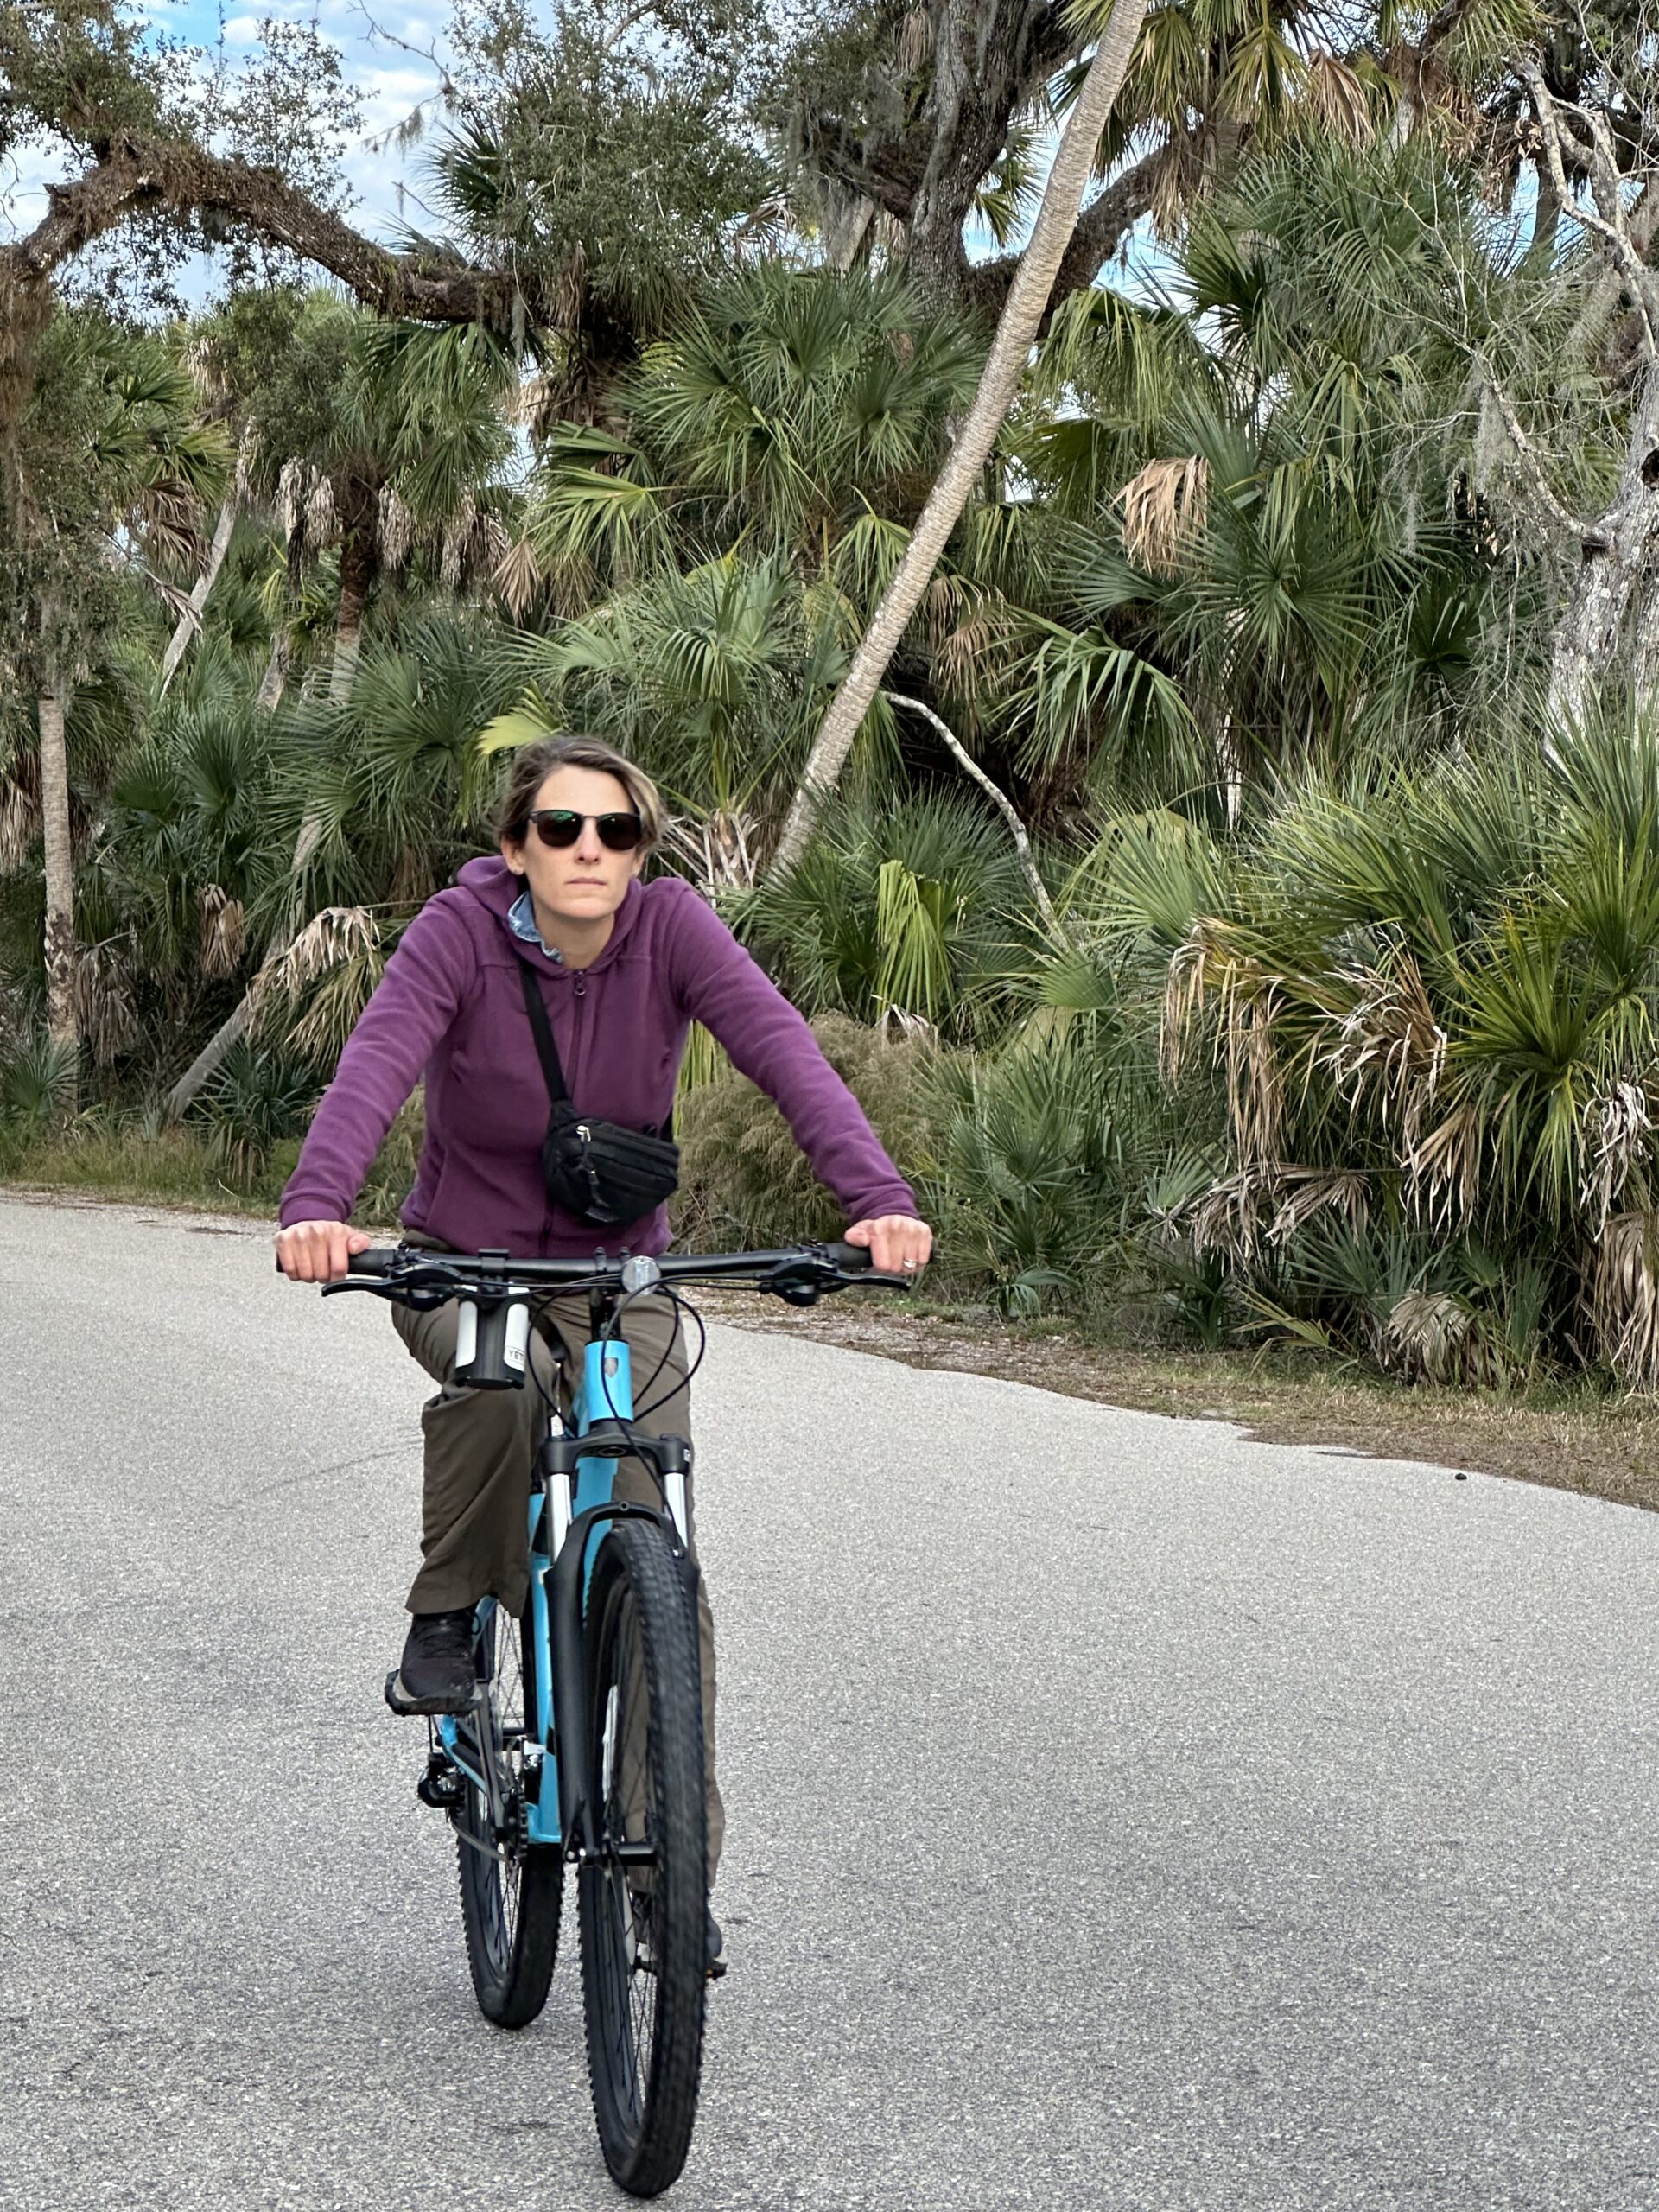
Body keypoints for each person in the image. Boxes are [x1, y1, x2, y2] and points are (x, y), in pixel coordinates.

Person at [274, 733, 932, 1965]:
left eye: (615, 832)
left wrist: (875, 1197)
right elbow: (379, 1062)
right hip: (459, 1263)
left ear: (641, 848)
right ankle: (454, 1614)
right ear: (516, 847)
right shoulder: (457, 938)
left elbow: (782, 1050)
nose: (590, 851)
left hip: (621, 1274)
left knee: (658, 1541)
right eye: (563, 830)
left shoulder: (673, 931)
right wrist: (318, 1210)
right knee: (500, 1379)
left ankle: (663, 1872)